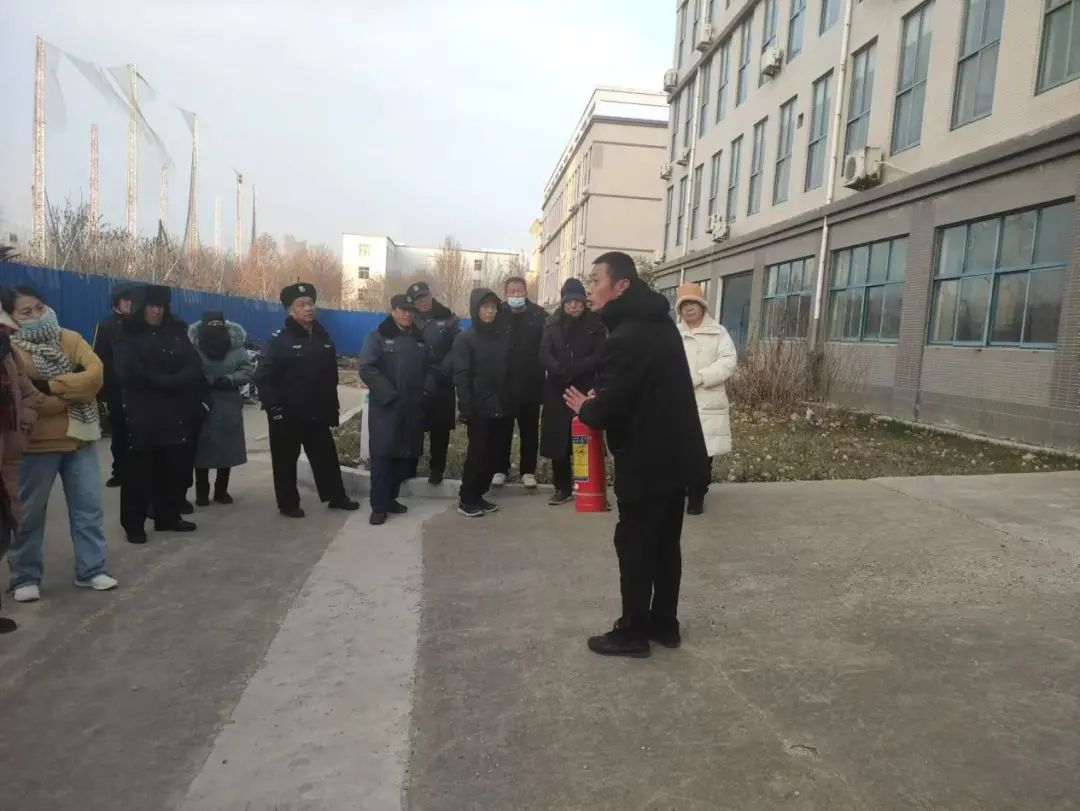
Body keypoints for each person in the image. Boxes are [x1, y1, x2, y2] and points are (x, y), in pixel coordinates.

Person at [564, 253, 707, 658]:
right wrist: (607, 396)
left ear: (621, 285)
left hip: (646, 460)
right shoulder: (659, 324)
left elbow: (612, 407)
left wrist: (588, 407)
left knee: (635, 544)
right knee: (665, 544)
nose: (590, 289)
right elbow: (642, 387)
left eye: (596, 280)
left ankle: (632, 633)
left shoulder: (626, 336)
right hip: (676, 456)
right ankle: (665, 624)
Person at [2, 286, 118, 602]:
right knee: (28, 515)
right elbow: (32, 400)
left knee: (88, 510)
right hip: (35, 446)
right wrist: (72, 392)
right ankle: (25, 577)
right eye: (26, 312)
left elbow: (95, 377)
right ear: (10, 316)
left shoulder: (70, 338)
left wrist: (51, 386)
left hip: (80, 439)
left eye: (40, 307)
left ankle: (91, 570)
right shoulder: (11, 348)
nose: (37, 315)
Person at [256, 282, 359, 518]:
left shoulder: (323, 337)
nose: (308, 308)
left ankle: (336, 497)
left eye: (310, 303)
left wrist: (332, 407)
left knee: (326, 457)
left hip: (317, 411)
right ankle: (288, 503)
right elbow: (263, 376)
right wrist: (274, 408)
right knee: (285, 461)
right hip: (287, 413)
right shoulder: (279, 339)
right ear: (290, 309)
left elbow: (331, 376)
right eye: (301, 305)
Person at [114, 285, 206, 543]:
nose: (156, 311)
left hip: (176, 411)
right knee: (139, 473)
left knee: (173, 468)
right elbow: (129, 371)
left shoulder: (176, 331)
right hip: (143, 412)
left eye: (161, 306)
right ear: (141, 308)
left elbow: (193, 363)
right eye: (151, 306)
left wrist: (178, 380)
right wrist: (167, 381)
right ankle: (134, 524)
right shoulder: (127, 335)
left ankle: (169, 516)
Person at [359, 295, 433, 525]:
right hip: (387, 408)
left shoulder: (419, 339)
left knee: (404, 458)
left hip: (412, 408)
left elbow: (431, 367)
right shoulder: (378, 337)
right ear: (393, 311)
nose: (407, 314)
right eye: (402, 310)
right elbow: (367, 368)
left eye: (411, 310)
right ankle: (379, 507)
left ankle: (391, 499)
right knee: (383, 457)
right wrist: (389, 395)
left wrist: (426, 390)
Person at [538, 278, 606, 506]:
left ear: (584, 302)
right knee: (559, 440)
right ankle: (562, 487)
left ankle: (592, 487)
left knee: (586, 438)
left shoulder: (595, 324)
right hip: (558, 389)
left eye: (578, 301)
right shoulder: (552, 323)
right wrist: (559, 369)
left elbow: (601, 354)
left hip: (586, 387)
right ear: (563, 303)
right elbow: (544, 352)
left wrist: (577, 369)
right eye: (569, 302)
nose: (574, 306)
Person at [676, 283, 738, 516]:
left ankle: (697, 495)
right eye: (684, 305)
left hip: (708, 400)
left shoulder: (718, 332)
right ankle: (684, 486)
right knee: (680, 449)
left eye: (693, 303)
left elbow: (728, 361)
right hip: (680, 400)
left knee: (703, 452)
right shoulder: (674, 333)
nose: (689, 308)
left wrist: (702, 377)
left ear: (702, 306)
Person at [452, 288, 511, 518]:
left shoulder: (501, 337)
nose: (489, 311)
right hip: (478, 407)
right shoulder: (465, 339)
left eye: (493, 307)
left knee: (493, 454)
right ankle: (467, 498)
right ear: (476, 309)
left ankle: (479, 495)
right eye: (485, 307)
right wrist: (466, 407)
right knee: (478, 454)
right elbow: (462, 375)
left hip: (500, 404)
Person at [189, 311, 254, 507]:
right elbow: (187, 369)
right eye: (211, 324)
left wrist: (230, 379)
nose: (215, 328)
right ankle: (202, 491)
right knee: (202, 449)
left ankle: (221, 490)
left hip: (228, 402)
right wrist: (204, 381)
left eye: (219, 324)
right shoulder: (194, 347)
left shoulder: (236, 348)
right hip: (202, 401)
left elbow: (247, 369)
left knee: (227, 447)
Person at [0, 305, 38, 629]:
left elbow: (29, 394)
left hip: (5, 462)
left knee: (3, 532)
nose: (7, 332)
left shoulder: (9, 355)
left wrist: (22, 427)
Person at [405, 281, 461, 485]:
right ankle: (409, 465)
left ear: (431, 295)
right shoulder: (408, 318)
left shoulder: (448, 317)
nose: (423, 302)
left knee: (440, 428)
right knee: (413, 425)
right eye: (418, 299)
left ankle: (437, 468)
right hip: (415, 381)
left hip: (442, 381)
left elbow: (457, 348)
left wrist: (443, 370)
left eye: (425, 296)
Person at [493, 276, 545, 489]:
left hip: (530, 384)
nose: (516, 294)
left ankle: (528, 471)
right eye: (512, 291)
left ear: (526, 292)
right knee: (501, 431)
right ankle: (499, 469)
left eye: (519, 291)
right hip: (503, 385)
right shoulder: (497, 314)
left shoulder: (538, 315)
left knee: (530, 431)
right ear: (505, 294)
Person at [92, 282, 137, 488]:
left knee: (140, 432)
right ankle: (119, 472)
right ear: (116, 302)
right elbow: (97, 358)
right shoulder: (106, 326)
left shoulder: (140, 324)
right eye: (126, 299)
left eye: (133, 300)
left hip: (140, 390)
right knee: (120, 433)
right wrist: (101, 393)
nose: (130, 303)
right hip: (117, 390)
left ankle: (139, 471)